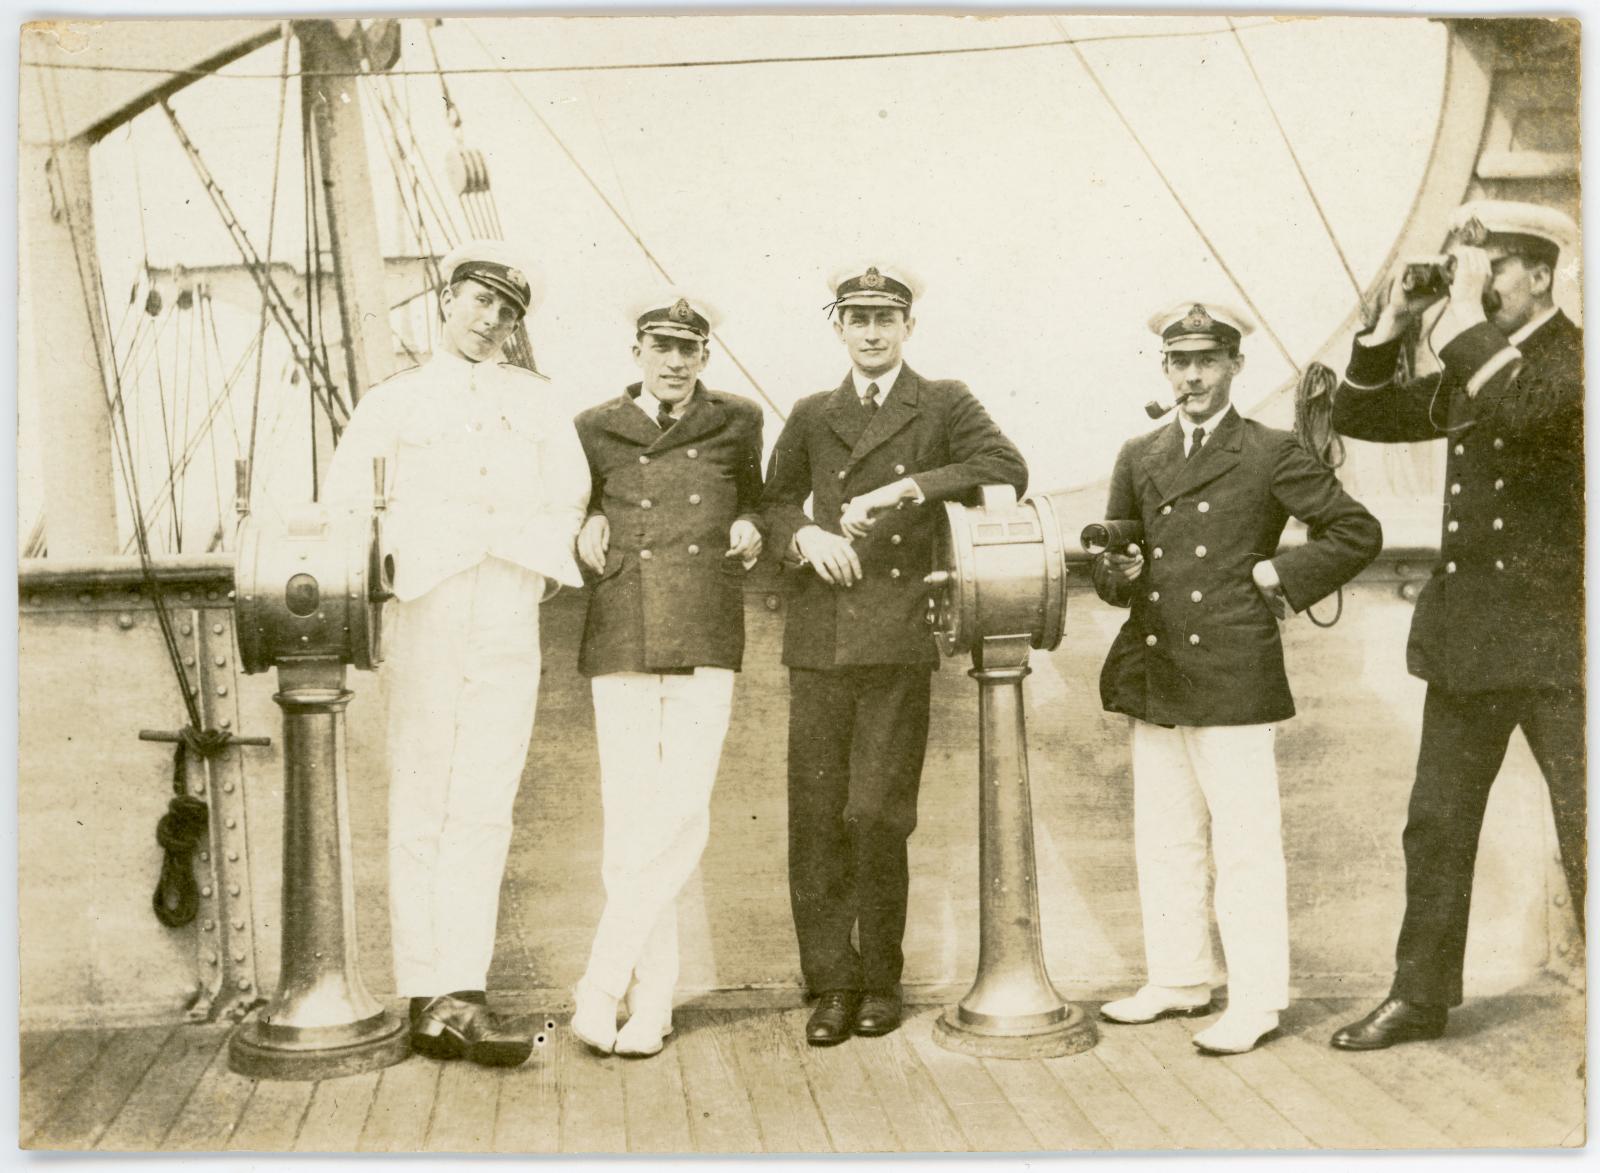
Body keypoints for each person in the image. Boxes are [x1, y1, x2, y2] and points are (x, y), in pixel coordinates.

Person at [324, 240, 589, 1067]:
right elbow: (344, 508)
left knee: (485, 793)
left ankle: (463, 990)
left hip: (507, 601)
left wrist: (531, 571)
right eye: (480, 303)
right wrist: (400, 567)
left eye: (507, 313)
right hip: (429, 601)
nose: (491, 323)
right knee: (422, 791)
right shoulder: (393, 402)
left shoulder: (538, 402)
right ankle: (422, 990)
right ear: (448, 298)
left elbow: (570, 491)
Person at [1092, 301, 1381, 1055]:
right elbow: (1118, 571)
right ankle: (1179, 978)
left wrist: (1279, 573)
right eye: (1179, 362)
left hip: (1231, 667)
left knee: (1246, 843)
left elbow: (1357, 531)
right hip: (1156, 669)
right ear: (1166, 368)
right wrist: (1117, 572)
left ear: (1233, 367)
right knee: (1166, 836)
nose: (1191, 375)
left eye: (1206, 361)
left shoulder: (1271, 450)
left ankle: (1255, 999)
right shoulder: (1139, 452)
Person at [1328, 200, 1584, 1051]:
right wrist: (1393, 324)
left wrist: (1463, 321)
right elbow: (1366, 416)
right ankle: (1420, 995)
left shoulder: (1573, 361)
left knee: (1588, 823)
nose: (1481, 286)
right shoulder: (1484, 363)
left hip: (1564, 647)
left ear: (1541, 274)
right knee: (1436, 824)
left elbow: (1522, 412)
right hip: (1473, 637)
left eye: (1494, 269)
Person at [761, 264, 1027, 1045]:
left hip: (897, 635)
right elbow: (773, 503)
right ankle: (830, 984)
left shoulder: (942, 401)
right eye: (857, 317)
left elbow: (1005, 467)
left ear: (909, 326)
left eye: (885, 317)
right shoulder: (814, 412)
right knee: (816, 820)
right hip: (819, 636)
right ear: (837, 326)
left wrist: (908, 489)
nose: (871, 331)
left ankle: (879, 975)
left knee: (877, 814)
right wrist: (805, 535)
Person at [568, 295, 765, 1057]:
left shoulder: (739, 419)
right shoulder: (593, 427)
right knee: (630, 823)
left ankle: (603, 987)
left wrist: (753, 522)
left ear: (705, 356)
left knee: (679, 811)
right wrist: (582, 518)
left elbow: (758, 497)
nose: (676, 361)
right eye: (662, 345)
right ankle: (651, 1008)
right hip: (621, 626)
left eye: (690, 348)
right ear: (637, 349)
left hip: (704, 627)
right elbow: (572, 501)